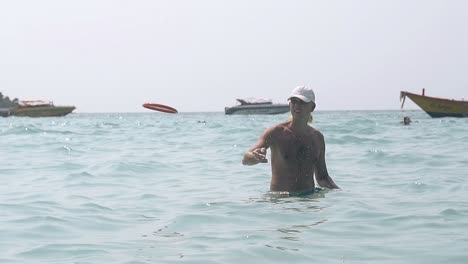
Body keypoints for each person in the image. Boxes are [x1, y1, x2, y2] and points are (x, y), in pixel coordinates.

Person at [242, 85, 340, 195]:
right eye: (294, 101)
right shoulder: (276, 132)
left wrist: (342, 195)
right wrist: (255, 157)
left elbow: (323, 178)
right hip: (282, 202)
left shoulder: (317, 138)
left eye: (302, 102)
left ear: (312, 107)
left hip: (308, 200)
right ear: (289, 104)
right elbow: (245, 160)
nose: (297, 105)